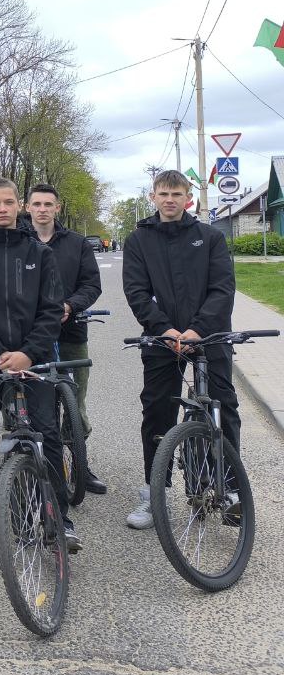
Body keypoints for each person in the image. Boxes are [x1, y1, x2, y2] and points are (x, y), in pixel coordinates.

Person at [0, 177, 77, 559]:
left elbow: (51, 309)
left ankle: (58, 517)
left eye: (9, 202)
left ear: (19, 205)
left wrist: (27, 353)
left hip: (33, 359)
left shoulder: (40, 252)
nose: (3, 209)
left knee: (48, 434)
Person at [122, 169, 238, 530]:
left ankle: (231, 488)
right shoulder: (138, 240)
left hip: (210, 336)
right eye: (163, 193)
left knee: (223, 405)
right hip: (162, 339)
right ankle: (154, 492)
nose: (170, 200)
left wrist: (197, 329)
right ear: (153, 197)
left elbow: (223, 287)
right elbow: (136, 292)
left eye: (177, 194)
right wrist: (166, 330)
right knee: (157, 411)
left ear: (188, 198)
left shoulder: (210, 237)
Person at [27, 183, 105, 495]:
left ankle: (79, 464)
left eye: (48, 204)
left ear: (57, 208)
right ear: (28, 208)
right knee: (35, 402)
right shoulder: (18, 241)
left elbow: (92, 284)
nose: (42, 209)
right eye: (37, 204)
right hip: (30, 337)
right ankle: (33, 462)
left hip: (71, 333)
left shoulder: (77, 243)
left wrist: (70, 306)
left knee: (74, 400)